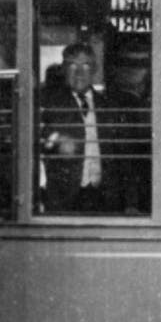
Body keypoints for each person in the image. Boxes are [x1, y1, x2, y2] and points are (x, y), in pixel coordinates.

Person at [39, 43, 124, 212]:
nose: (79, 73)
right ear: (64, 69)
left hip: (105, 197)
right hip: (66, 198)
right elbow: (42, 144)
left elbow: (120, 156)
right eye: (72, 65)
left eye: (85, 65)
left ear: (94, 70)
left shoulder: (108, 106)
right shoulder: (50, 105)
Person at [107, 37, 152, 211]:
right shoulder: (110, 105)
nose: (132, 69)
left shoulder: (148, 103)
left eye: (140, 63)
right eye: (126, 63)